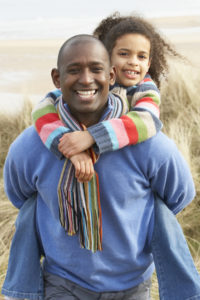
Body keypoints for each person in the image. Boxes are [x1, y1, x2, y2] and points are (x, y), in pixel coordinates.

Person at [2, 34, 198, 300]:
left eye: (96, 69)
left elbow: (180, 195)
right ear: (57, 79)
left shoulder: (148, 144)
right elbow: (20, 196)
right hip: (62, 283)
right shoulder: (31, 145)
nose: (86, 79)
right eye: (74, 70)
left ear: (112, 76)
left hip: (132, 285)